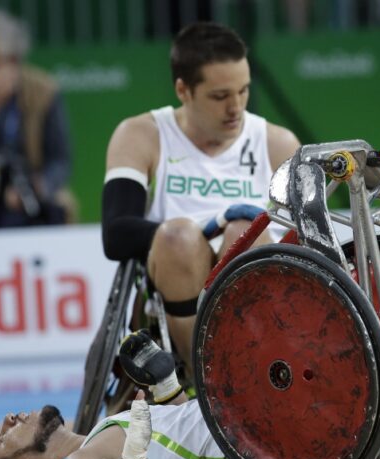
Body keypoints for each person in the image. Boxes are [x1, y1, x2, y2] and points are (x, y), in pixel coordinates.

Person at [101, 22, 300, 379]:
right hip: (171, 279)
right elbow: (116, 234)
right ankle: (209, 379)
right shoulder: (141, 134)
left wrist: (228, 227)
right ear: (184, 90)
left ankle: (248, 369)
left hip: (254, 288)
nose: (236, 107)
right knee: (180, 237)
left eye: (243, 91)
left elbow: (309, 243)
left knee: (246, 230)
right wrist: (207, 228)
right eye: (220, 96)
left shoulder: (278, 143)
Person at [0, 332, 255, 459]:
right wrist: (133, 452)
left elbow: (182, 456)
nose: (8, 419)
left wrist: (169, 391)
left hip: (245, 429)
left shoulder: (95, 442)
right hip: (254, 455)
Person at [0, 9, 75, 228]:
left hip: (29, 186)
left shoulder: (43, 90)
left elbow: (60, 160)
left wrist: (39, 186)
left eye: (1, 61)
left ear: (16, 60)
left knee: (58, 207)